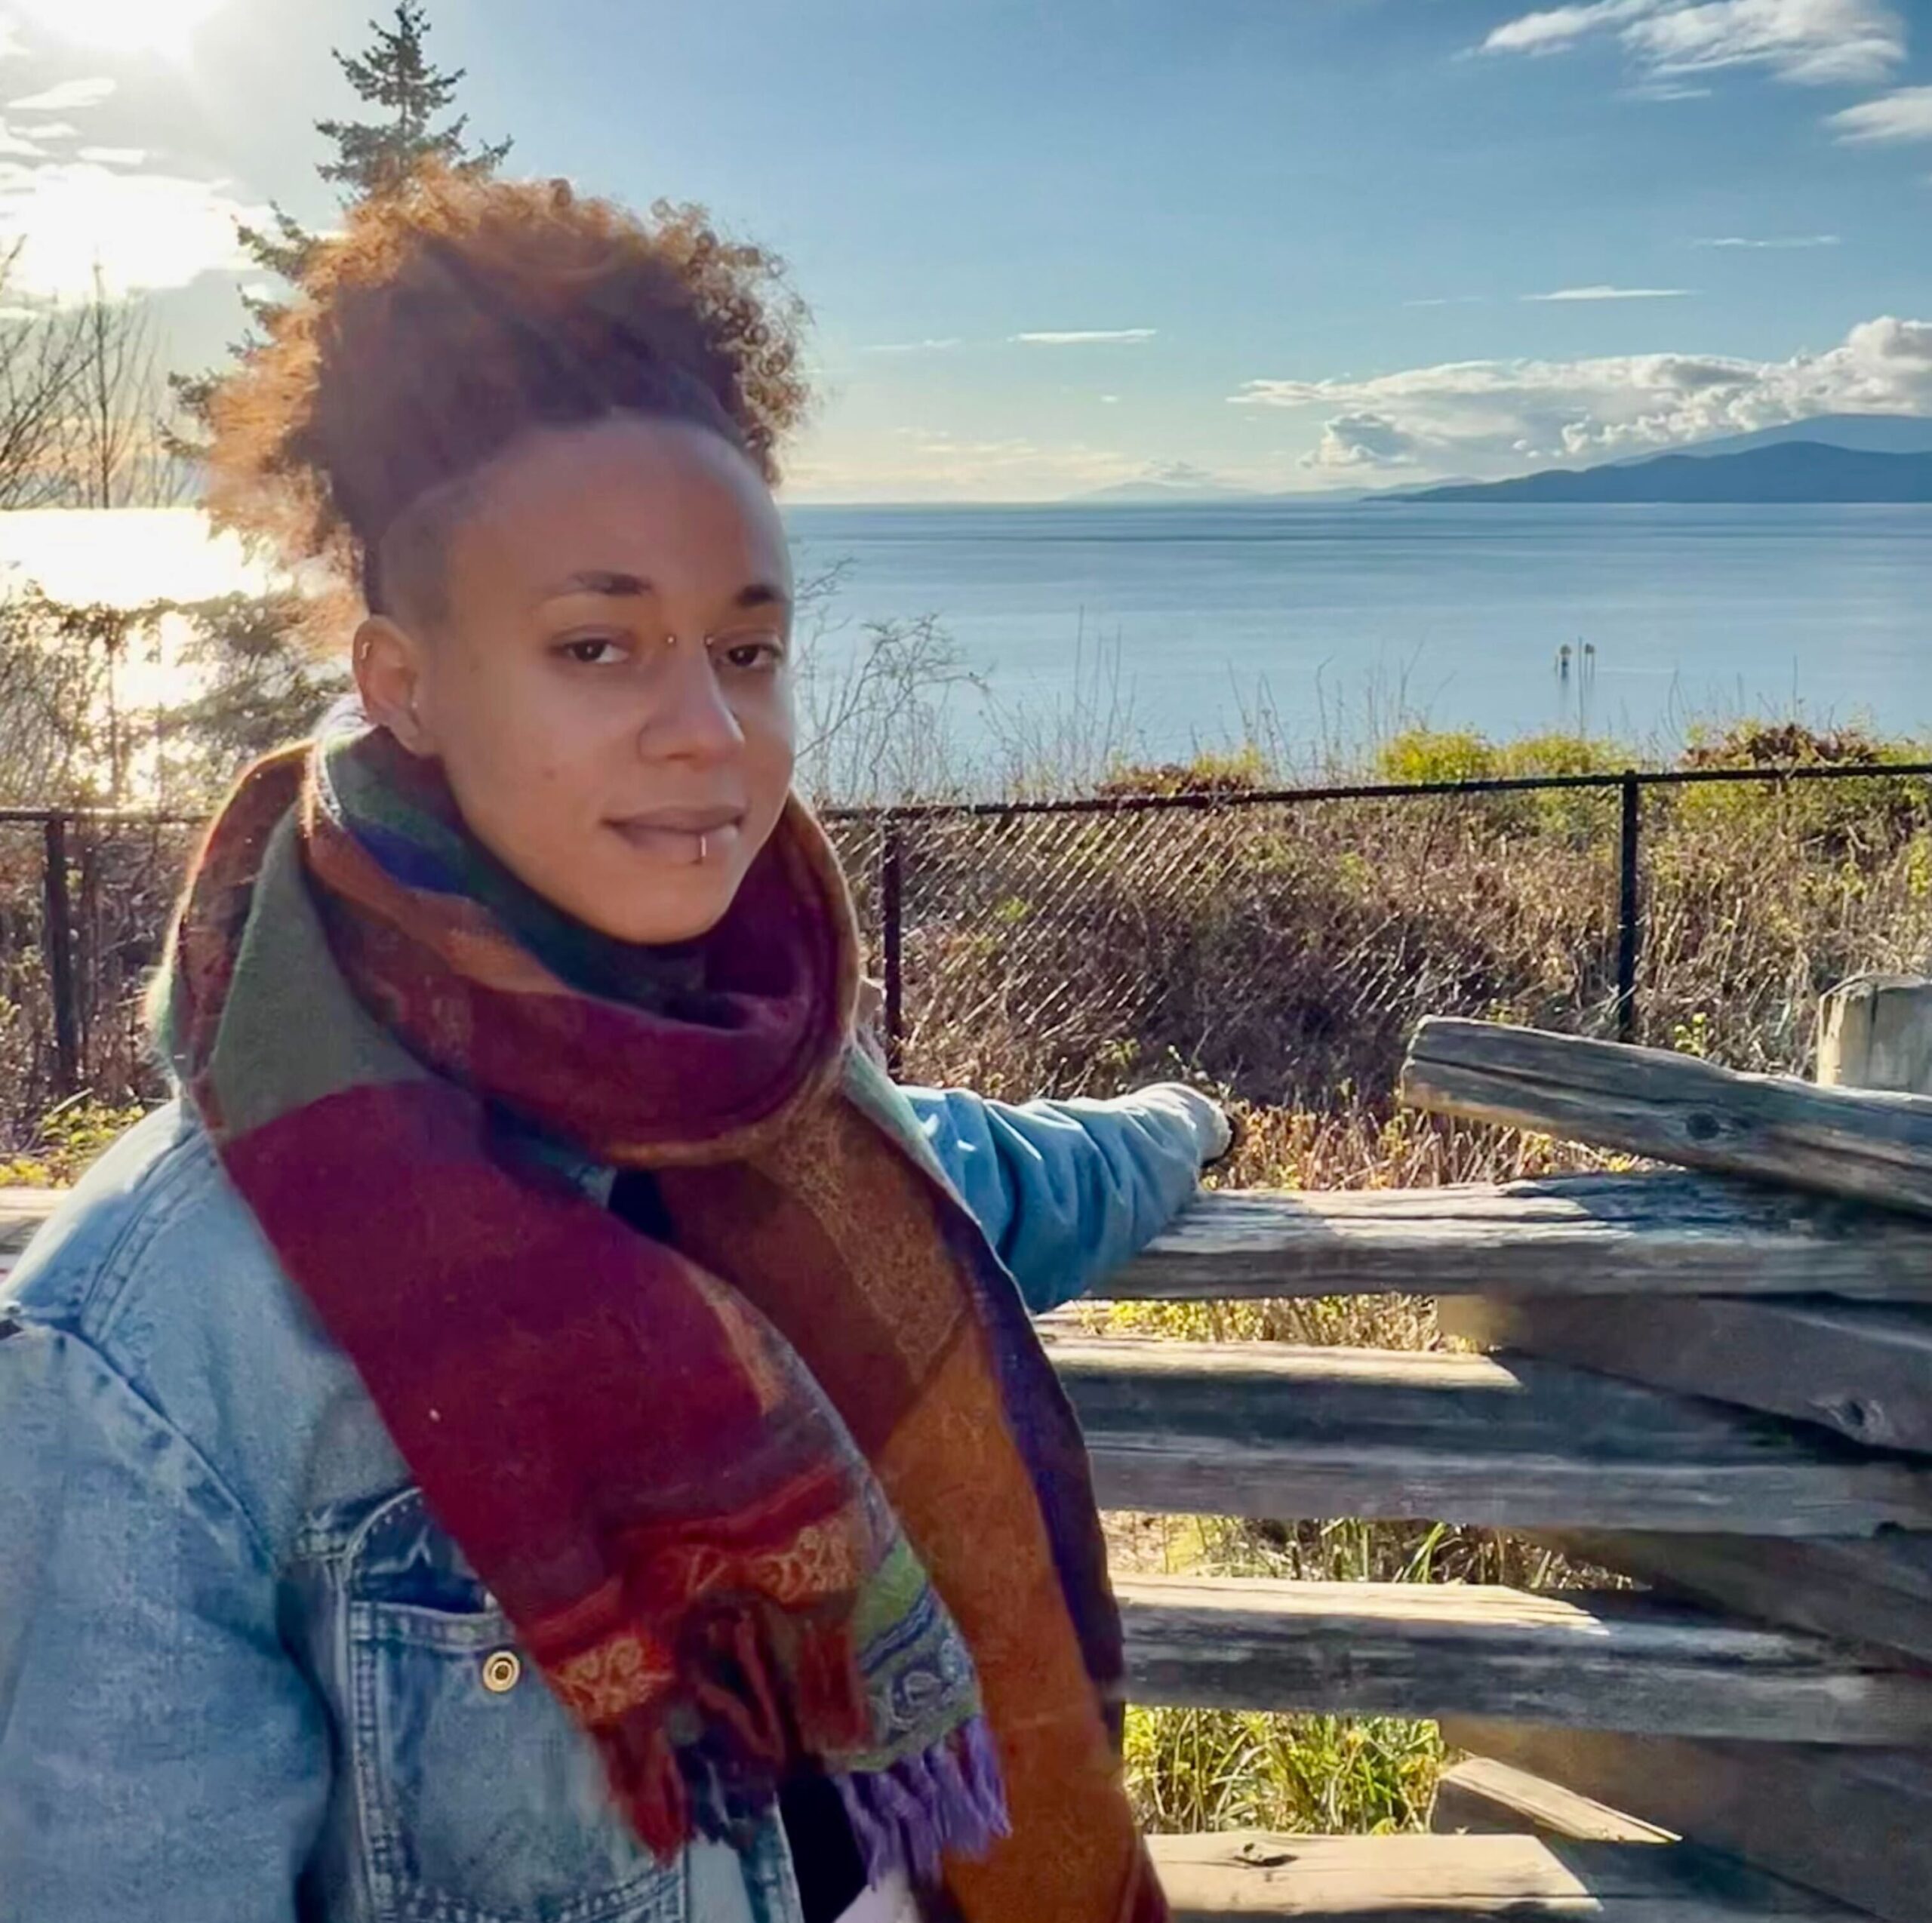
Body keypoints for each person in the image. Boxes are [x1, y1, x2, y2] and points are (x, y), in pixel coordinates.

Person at [0, 167, 1230, 1923]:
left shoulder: (781, 1098)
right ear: (404, 680)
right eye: (598, 645)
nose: (707, 733)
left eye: (749, 645)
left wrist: (1180, 1124)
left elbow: (988, 1182)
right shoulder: (153, 1345)